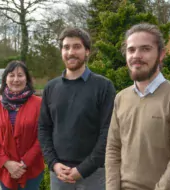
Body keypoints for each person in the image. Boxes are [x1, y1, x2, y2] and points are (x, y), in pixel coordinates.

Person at [106, 23, 170, 190]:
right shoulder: (121, 98)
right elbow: (112, 149)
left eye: (145, 49)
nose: (136, 56)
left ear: (161, 55)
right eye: (131, 50)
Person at [38, 27, 116, 190]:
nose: (71, 52)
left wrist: (83, 169)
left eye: (76, 47)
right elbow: (44, 128)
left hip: (94, 174)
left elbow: (108, 132)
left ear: (87, 51)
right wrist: (53, 164)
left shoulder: (103, 86)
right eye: (66, 47)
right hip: (59, 174)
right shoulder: (51, 88)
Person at [0, 60, 45, 190]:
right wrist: (7, 163)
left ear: (27, 79)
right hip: (4, 169)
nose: (16, 79)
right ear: (5, 79)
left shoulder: (39, 104)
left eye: (20, 75)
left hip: (31, 169)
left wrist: (24, 163)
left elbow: (43, 136)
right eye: (11, 75)